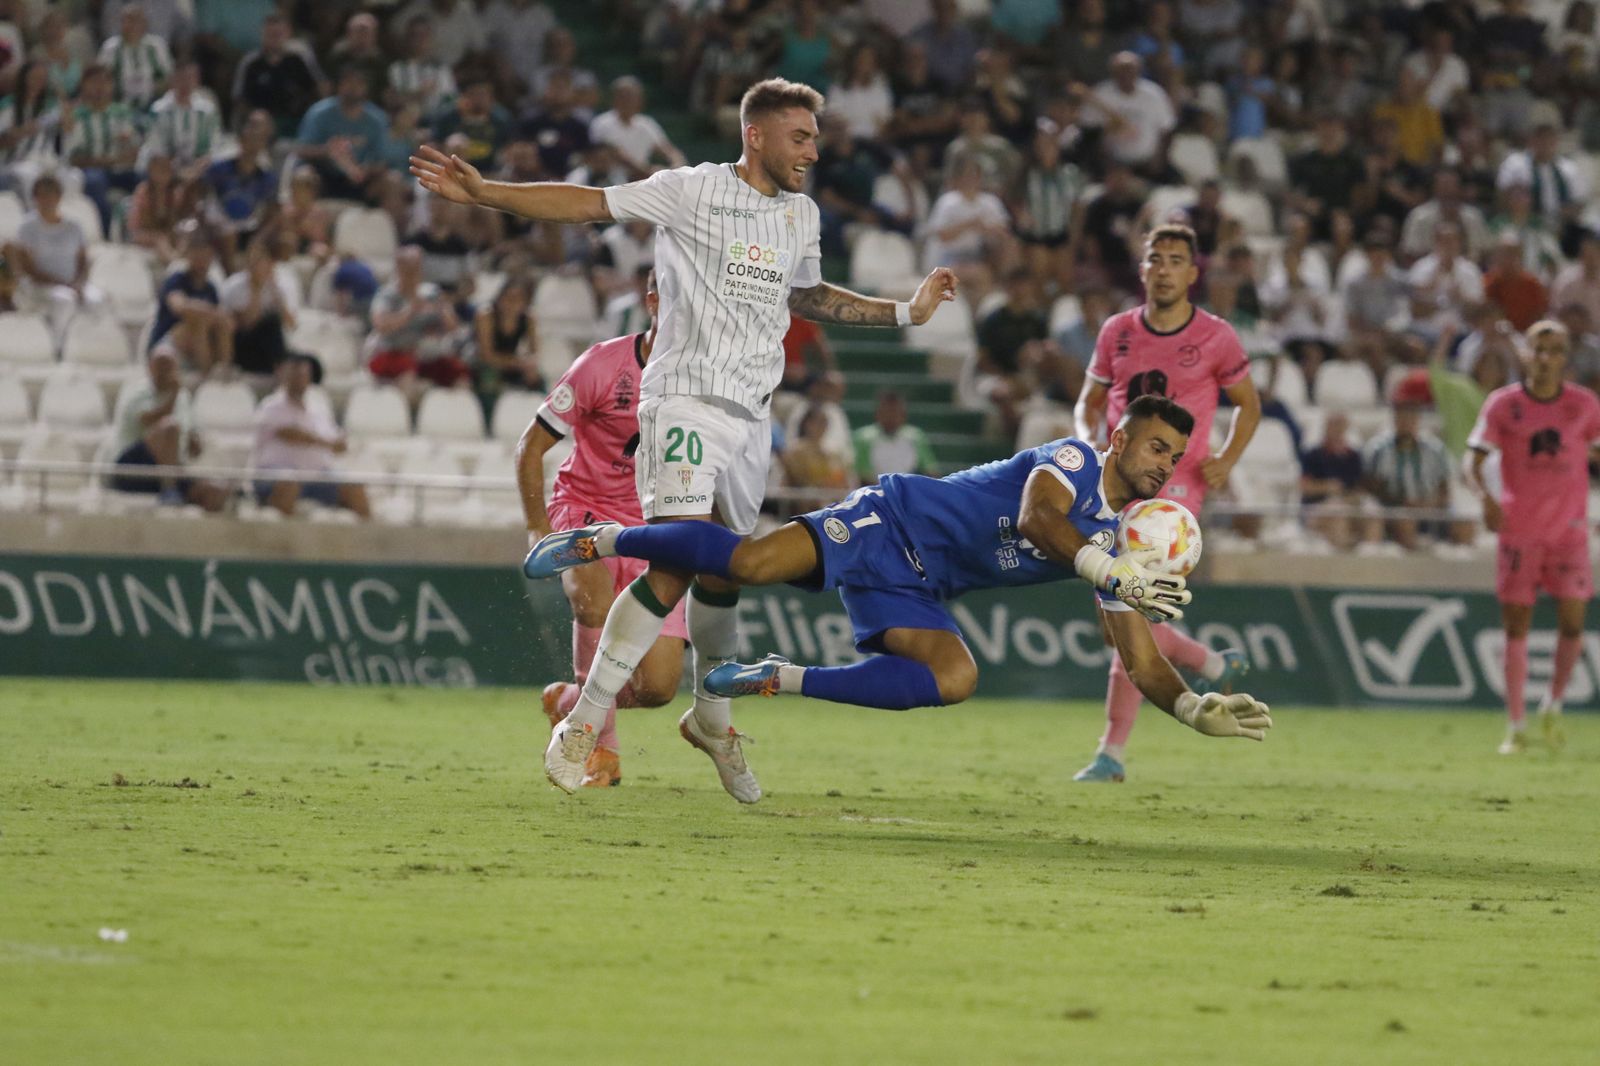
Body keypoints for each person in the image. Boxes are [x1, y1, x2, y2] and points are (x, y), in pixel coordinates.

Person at [412, 76, 958, 799]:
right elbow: (588, 206)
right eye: (800, 137)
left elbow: (809, 296)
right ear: (755, 134)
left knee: (729, 570)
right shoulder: (691, 190)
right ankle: (584, 721)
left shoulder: (801, 214)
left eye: (816, 139)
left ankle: (710, 719)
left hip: (751, 418)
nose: (813, 152)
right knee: (673, 563)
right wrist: (489, 194)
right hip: (685, 404)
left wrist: (906, 314)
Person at [526, 397, 1271, 760]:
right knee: (747, 562)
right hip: (890, 522)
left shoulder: (1113, 543)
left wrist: (1192, 707)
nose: (1162, 464)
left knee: (955, 677)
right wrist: (1112, 568)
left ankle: (773, 678)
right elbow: (1041, 518)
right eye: (1154, 446)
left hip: (917, 589)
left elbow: (1140, 658)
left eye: (1173, 457)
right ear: (1121, 438)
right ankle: (604, 536)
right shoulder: (1075, 462)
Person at [1070, 223, 1261, 783]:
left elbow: (1249, 406)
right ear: (1144, 269)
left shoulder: (1217, 336)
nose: (1165, 269)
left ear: (1192, 273)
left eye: (1176, 260)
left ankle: (1112, 753)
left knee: (1129, 615)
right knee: (1116, 627)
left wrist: (1226, 457)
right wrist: (1088, 444)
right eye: (1156, 259)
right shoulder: (1117, 331)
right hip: (1114, 483)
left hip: (1171, 498)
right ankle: (1212, 662)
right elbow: (1090, 402)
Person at [515, 270, 686, 788]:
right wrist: (537, 528)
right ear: (652, 299)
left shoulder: (703, 377)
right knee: (591, 603)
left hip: (657, 527)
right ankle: (598, 749)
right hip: (584, 509)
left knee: (658, 688)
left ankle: (571, 702)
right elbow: (531, 447)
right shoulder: (602, 363)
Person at [1466, 321, 1600, 755]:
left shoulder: (1585, 405)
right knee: (1516, 627)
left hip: (1570, 532)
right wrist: (1485, 497)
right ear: (1525, 354)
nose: (1546, 359)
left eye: (1555, 350)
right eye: (1539, 350)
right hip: (1519, 531)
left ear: (1565, 358)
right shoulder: (1504, 405)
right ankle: (1516, 726)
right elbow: (1474, 459)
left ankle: (1553, 705)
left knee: (1574, 621)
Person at [108, 347, 228, 511]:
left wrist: (194, 443)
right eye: (161, 366)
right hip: (133, 467)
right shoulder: (135, 393)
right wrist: (173, 395)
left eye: (169, 367)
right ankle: (170, 489)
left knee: (216, 490)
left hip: (171, 468)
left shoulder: (184, 399)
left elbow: (194, 439)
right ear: (150, 368)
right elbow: (149, 423)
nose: (165, 372)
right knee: (170, 427)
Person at [252, 353, 371, 519]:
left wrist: (336, 443)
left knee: (354, 488)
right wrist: (325, 442)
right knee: (289, 483)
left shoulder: (318, 410)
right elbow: (292, 434)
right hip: (275, 476)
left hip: (317, 477)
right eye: (295, 373)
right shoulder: (270, 407)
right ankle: (282, 541)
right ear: (283, 374)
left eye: (304, 374)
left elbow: (338, 445)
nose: (299, 378)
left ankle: (368, 539)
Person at [149, 222, 232, 376]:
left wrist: (216, 316)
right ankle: (206, 372)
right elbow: (179, 306)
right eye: (198, 256)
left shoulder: (210, 289)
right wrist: (208, 311)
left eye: (206, 257)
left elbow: (219, 319)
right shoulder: (177, 280)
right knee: (198, 322)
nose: (202, 262)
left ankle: (223, 369)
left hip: (197, 346)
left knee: (222, 323)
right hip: (169, 344)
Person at [854, 390, 936, 481]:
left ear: (903, 415)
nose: (891, 417)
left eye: (895, 412)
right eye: (887, 412)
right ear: (878, 413)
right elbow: (860, 475)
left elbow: (931, 471)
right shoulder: (863, 437)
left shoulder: (916, 437)